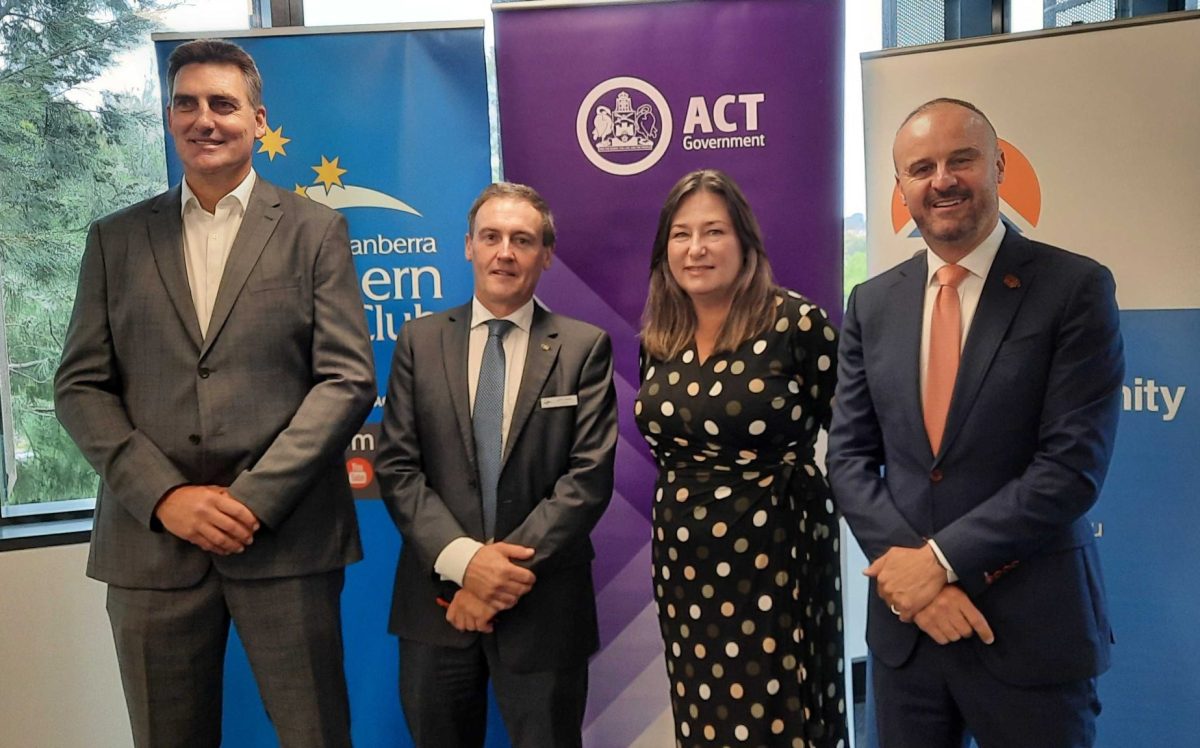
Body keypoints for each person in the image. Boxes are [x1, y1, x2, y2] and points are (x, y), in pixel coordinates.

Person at [53, 39, 375, 747]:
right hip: (150, 549)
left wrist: (250, 500)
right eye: (187, 103)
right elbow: (79, 386)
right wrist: (164, 497)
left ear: (258, 120)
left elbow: (347, 377)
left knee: (316, 735)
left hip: (285, 541)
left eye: (223, 104)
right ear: (169, 117)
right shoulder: (115, 239)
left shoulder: (315, 230)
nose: (205, 119)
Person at [828, 98, 1123, 747]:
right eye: (921, 167)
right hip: (908, 637)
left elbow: (1071, 469)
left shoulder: (1073, 288)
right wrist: (915, 584)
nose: (942, 180)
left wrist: (936, 561)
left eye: (960, 159)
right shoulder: (872, 303)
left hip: (1030, 631)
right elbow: (848, 459)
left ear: (998, 166)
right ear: (902, 189)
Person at [374, 182, 618, 748]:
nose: (504, 252)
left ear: (546, 254)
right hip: (437, 609)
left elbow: (587, 480)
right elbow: (398, 468)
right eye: (491, 237)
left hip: (545, 611)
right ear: (468, 247)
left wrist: (494, 580)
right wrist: (465, 564)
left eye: (522, 240)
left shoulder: (584, 347)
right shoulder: (419, 340)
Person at [634, 168, 848, 747]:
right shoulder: (659, 337)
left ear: (745, 242)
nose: (696, 249)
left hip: (777, 554)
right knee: (704, 716)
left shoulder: (798, 323)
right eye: (681, 234)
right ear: (664, 249)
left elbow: (855, 440)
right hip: (684, 563)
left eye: (714, 232)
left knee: (780, 713)